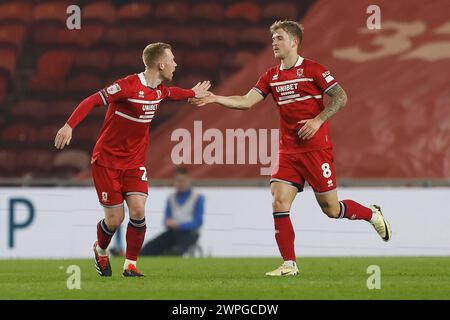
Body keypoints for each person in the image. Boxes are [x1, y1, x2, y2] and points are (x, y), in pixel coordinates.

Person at [190, 20, 392, 276]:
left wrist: (318, 121)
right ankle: (289, 264)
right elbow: (246, 101)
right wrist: (216, 98)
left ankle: (371, 214)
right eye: (272, 38)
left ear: (294, 42)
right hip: (288, 151)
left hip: (316, 150)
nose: (274, 42)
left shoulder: (313, 69)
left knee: (331, 209)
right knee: (279, 201)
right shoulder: (271, 76)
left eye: (279, 38)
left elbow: (341, 96)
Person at [54, 42, 211, 277]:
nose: (175, 64)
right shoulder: (127, 86)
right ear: (161, 64)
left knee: (138, 211)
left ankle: (130, 265)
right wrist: (69, 125)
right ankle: (101, 249)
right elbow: (93, 99)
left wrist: (191, 93)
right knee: (115, 219)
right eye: (172, 59)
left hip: (134, 163)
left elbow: (172, 93)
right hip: (107, 161)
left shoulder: (158, 90)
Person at [141, 167, 204, 256]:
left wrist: (179, 225)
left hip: (189, 233)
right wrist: (168, 222)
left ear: (189, 180)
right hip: (172, 232)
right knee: (149, 247)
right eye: (178, 180)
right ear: (174, 181)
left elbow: (198, 222)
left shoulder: (198, 197)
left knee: (177, 249)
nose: (181, 183)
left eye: (183, 180)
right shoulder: (171, 198)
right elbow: (167, 219)